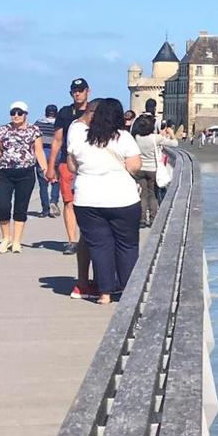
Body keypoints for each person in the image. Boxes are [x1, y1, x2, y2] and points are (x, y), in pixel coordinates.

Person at [66, 97, 141, 305]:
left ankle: (104, 293)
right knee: (127, 245)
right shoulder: (123, 137)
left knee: (100, 246)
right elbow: (134, 166)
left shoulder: (80, 138)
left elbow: (72, 167)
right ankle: (128, 289)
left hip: (88, 199)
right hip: (122, 198)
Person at [0, 101, 49, 254]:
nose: (16, 116)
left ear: (26, 114)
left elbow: (38, 151)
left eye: (19, 112)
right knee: (3, 206)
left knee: (21, 207)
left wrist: (46, 170)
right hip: (5, 173)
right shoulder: (2, 130)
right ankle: (5, 238)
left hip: (26, 173)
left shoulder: (34, 130)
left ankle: (17, 240)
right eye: (13, 112)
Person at [48, 78, 92, 256]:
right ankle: (72, 240)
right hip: (67, 162)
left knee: (89, 201)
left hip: (89, 163)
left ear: (88, 91)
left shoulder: (94, 111)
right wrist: (51, 166)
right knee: (69, 202)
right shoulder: (65, 113)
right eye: (75, 90)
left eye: (81, 90)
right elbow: (57, 140)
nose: (78, 93)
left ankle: (87, 238)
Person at [131, 114, 163, 227]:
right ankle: (154, 218)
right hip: (152, 169)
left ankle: (142, 219)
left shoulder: (137, 138)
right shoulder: (156, 138)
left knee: (142, 195)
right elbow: (174, 143)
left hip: (140, 169)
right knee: (152, 194)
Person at [35, 104, 60, 217]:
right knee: (56, 181)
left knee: (43, 184)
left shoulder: (38, 124)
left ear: (46, 112)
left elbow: (33, 139)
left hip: (42, 155)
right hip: (56, 155)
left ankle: (45, 210)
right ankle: (54, 201)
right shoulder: (60, 124)